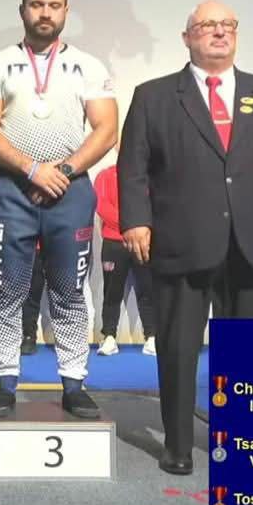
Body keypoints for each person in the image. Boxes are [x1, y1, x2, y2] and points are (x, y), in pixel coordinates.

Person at [118, 0, 253, 475]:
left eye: (228, 24)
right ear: (187, 37)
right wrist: (136, 220)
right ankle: (178, 446)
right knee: (178, 349)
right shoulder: (154, 96)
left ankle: (250, 440)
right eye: (208, 25)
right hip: (181, 242)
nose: (220, 32)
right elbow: (133, 166)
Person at [0, 0, 118, 419]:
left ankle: (74, 383)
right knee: (6, 290)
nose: (45, 13)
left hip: (70, 192)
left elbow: (107, 129)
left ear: (66, 12)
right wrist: (32, 169)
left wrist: (63, 171)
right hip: (10, 189)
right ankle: (5, 382)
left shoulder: (90, 67)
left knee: (70, 291)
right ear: (23, 10)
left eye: (54, 5)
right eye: (37, 4)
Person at [93, 151, 157, 356]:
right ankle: (109, 337)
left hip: (142, 242)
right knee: (111, 292)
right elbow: (101, 205)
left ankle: (152, 337)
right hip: (113, 243)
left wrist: (138, 228)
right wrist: (130, 225)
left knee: (148, 290)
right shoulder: (104, 175)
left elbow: (154, 205)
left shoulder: (149, 176)